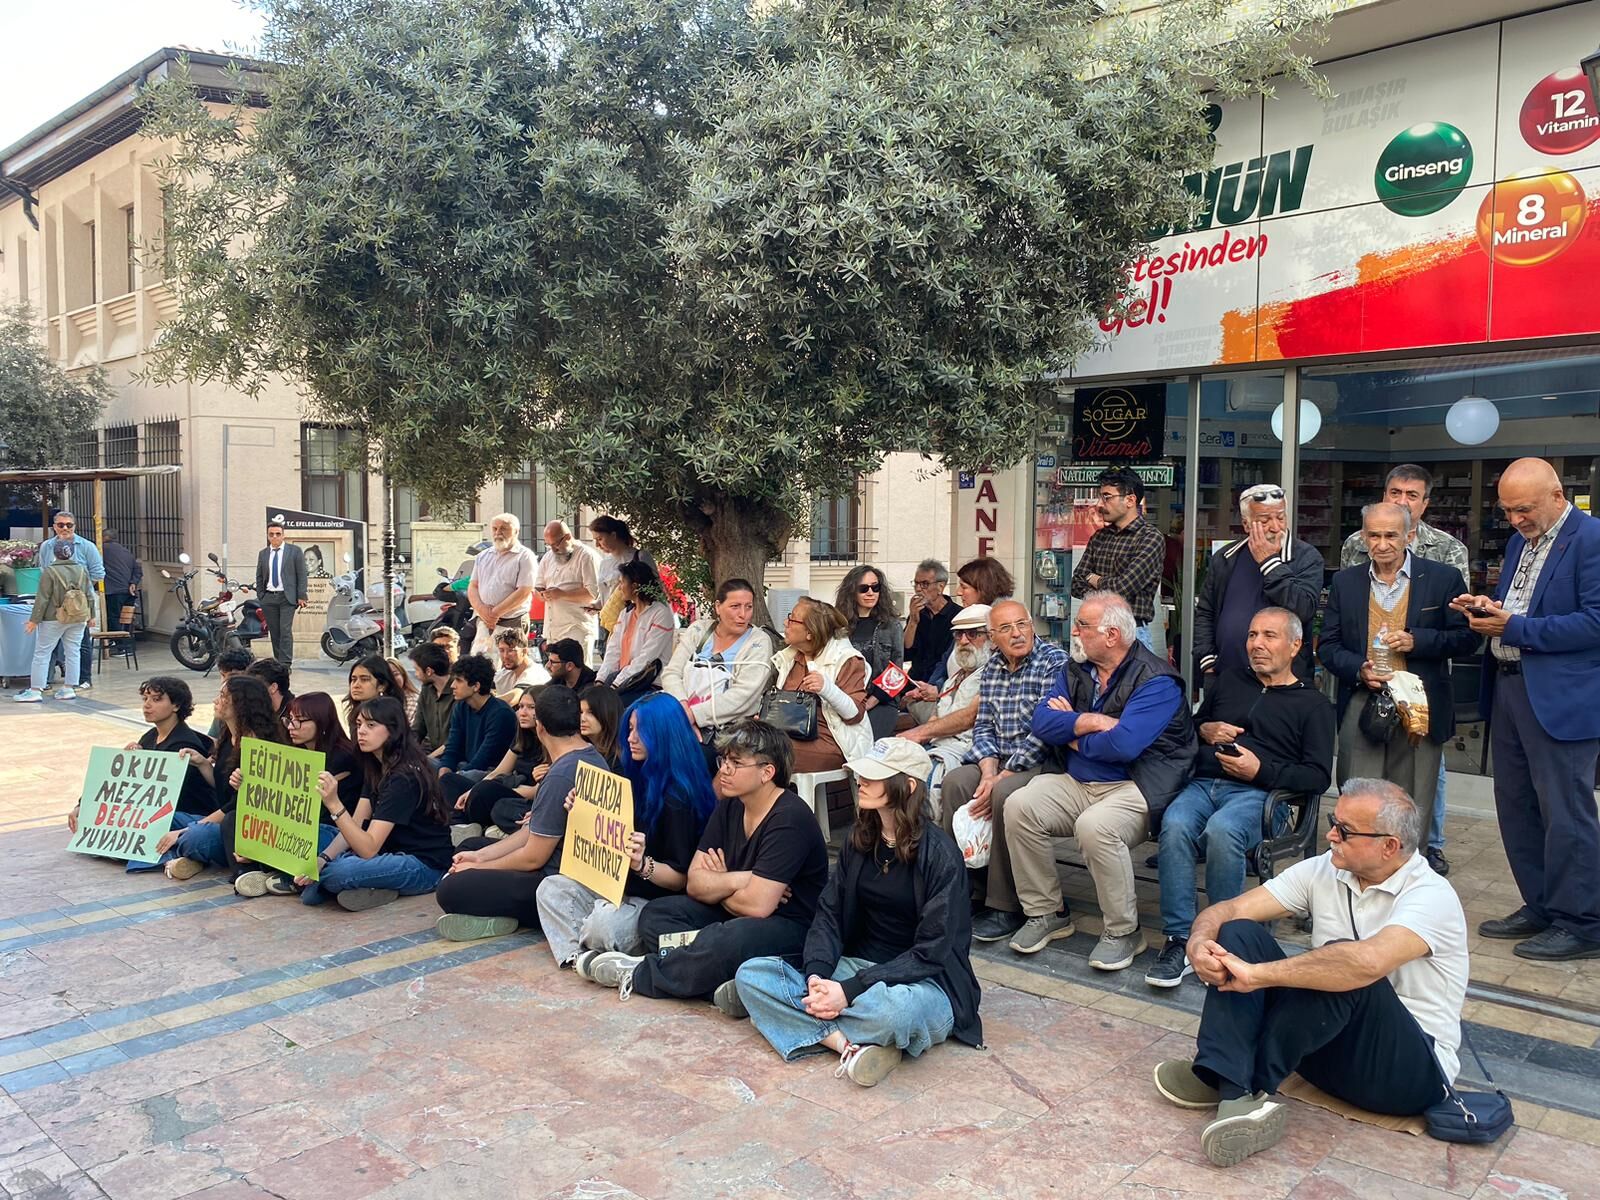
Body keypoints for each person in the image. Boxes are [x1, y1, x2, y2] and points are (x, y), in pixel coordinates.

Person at [1153, 780, 1467, 1168]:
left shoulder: (1432, 896)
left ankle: (1241, 1081)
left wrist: (1259, 975)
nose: (1330, 834)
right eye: (1335, 821)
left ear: (1389, 846)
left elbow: (1365, 963)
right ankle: (1231, 1086)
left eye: (1345, 830)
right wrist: (1199, 942)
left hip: (1407, 1074)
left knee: (1342, 963)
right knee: (1237, 934)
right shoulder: (1325, 870)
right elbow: (1229, 910)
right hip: (1329, 1055)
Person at [734, 737, 983, 1087]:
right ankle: (846, 1046)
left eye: (873, 776)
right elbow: (829, 914)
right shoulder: (859, 840)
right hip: (857, 967)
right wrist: (818, 976)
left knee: (894, 1015)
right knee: (750, 973)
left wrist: (848, 991)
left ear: (907, 786)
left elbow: (932, 953)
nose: (861, 782)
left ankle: (782, 1014)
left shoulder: (941, 856)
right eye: (862, 775)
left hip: (923, 984)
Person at [575, 719, 831, 1013]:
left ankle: (639, 974)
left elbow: (758, 907)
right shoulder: (731, 805)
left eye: (736, 763)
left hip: (789, 926)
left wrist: (720, 882)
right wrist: (740, 879)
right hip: (733, 915)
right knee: (658, 916)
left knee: (728, 939)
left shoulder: (789, 818)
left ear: (767, 772)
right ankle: (719, 982)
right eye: (724, 760)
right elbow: (695, 883)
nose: (724, 769)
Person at [996, 591, 1194, 969]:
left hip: (1136, 785)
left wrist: (1069, 732)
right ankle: (1047, 913)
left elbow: (1123, 746)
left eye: (1083, 626)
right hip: (1077, 781)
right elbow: (1040, 721)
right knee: (1019, 805)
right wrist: (1088, 722)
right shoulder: (1075, 669)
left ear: (1112, 636)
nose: (1074, 632)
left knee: (1095, 827)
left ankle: (1123, 931)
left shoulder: (1157, 681)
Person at [1453, 457, 1600, 961]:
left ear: (1558, 495)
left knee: (1566, 813)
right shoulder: (1520, 543)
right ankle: (1541, 906)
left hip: (1561, 699)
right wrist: (1486, 610)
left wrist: (1512, 629)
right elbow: (1517, 604)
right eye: (1509, 510)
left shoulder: (1591, 538)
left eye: (1525, 509)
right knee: (1516, 808)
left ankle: (1583, 922)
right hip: (1512, 688)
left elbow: (1595, 623)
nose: (1516, 520)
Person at [1147, 608, 1335, 987]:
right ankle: (1180, 939)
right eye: (1252, 635)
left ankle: (1222, 938)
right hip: (1204, 784)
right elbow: (1191, 729)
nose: (1257, 644)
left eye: (1269, 635)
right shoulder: (1230, 680)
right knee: (1176, 824)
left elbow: (1317, 776)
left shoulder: (1313, 705)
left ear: (1295, 645)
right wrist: (1206, 728)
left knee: (1223, 830)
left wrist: (1260, 771)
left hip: (1264, 796)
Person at [1321, 503, 1475, 853]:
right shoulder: (1346, 582)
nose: (1382, 543)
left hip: (1419, 702)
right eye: (1373, 535)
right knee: (1357, 792)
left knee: (1413, 798)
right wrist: (1359, 669)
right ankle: (1356, 869)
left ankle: (1406, 877)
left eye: (1391, 535)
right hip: (1363, 698)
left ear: (1409, 535)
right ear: (1363, 537)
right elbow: (1328, 646)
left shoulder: (1442, 578)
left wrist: (1417, 640)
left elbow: (1467, 638)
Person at [518, 694, 717, 960]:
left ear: (663, 734)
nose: (632, 738)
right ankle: (577, 957)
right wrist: (582, 811)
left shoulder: (678, 797)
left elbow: (680, 879)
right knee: (551, 888)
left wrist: (641, 865)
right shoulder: (633, 775)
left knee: (603, 924)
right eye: (631, 729)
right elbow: (609, 836)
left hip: (655, 902)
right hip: (617, 887)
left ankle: (593, 946)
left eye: (641, 731)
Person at [433, 686, 610, 931]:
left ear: (541, 727)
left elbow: (533, 858)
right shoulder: (592, 756)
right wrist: (480, 857)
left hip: (555, 882)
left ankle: (506, 915)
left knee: (450, 888)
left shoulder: (561, 774)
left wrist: (477, 867)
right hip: (553, 866)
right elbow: (533, 831)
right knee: (470, 847)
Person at [935, 600, 1067, 912]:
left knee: (1003, 795)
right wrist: (988, 771)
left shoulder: (1053, 662)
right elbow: (983, 725)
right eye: (1006, 628)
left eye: (1022, 624)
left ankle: (1004, 901)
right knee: (956, 783)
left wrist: (1001, 778)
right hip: (999, 762)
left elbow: (1045, 731)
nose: (1017, 634)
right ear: (993, 637)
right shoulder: (993, 667)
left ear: (1032, 626)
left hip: (1040, 761)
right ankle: (966, 887)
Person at [298, 696, 455, 910]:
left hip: (422, 864)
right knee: (308, 839)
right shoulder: (375, 766)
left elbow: (369, 849)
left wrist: (334, 804)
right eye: (359, 724)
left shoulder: (403, 777)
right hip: (383, 850)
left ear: (393, 730)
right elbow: (356, 823)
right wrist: (323, 857)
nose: (361, 731)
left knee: (337, 872)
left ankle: (332, 883)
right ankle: (360, 885)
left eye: (371, 725)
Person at [232, 691, 364, 898]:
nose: (292, 727)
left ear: (322, 722)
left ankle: (281, 875)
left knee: (301, 841)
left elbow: (307, 810)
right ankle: (275, 872)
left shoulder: (342, 757)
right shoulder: (295, 752)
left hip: (334, 831)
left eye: (300, 721)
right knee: (235, 822)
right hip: (302, 829)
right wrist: (246, 783)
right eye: (290, 720)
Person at [81, 677, 216, 871]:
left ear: (176, 705)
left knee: (140, 823)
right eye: (145, 699)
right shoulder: (150, 736)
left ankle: (175, 857)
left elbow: (159, 794)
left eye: (156, 699)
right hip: (166, 811)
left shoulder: (184, 744)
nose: (147, 705)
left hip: (189, 814)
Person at [1194, 483, 1323, 684]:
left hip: (1283, 682)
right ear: (1246, 525)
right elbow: (1206, 611)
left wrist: (1269, 563)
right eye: (1264, 520)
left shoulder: (1306, 557)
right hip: (1226, 675)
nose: (1275, 526)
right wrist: (1208, 661)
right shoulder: (1226, 558)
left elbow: (1304, 608)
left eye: (1280, 517)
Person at [160, 676, 286, 879]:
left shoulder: (258, 745)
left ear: (241, 703)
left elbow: (235, 805)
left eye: (223, 696)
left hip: (241, 825)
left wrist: (187, 829)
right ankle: (188, 859)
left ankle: (187, 856)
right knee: (160, 818)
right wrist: (203, 764)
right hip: (220, 818)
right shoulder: (228, 736)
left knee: (193, 837)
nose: (216, 701)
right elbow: (222, 786)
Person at [900, 604, 991, 821]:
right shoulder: (957, 675)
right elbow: (937, 716)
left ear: (991, 638)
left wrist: (920, 733)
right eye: (958, 635)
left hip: (968, 748)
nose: (964, 641)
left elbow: (969, 717)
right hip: (940, 744)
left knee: (929, 774)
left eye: (973, 634)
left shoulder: (992, 673)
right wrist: (917, 738)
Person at [661, 577, 776, 748]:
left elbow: (743, 695)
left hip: (729, 731)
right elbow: (671, 673)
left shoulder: (758, 642)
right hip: (680, 715)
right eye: (735, 606)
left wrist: (694, 715)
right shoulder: (698, 630)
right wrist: (684, 710)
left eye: (748, 607)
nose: (742, 615)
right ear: (717, 607)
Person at [769, 596, 871, 773]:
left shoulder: (847, 659)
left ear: (810, 632)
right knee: (746, 744)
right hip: (791, 735)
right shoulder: (791, 657)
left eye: (792, 619)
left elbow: (855, 714)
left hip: (833, 743)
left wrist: (826, 688)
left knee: (762, 752)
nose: (785, 622)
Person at [1070, 468, 1166, 649]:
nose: (1100, 504)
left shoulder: (1150, 538)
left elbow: (1122, 588)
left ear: (1130, 500)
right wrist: (1105, 585)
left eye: (1107, 497)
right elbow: (1076, 584)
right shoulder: (1099, 537)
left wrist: (1094, 578)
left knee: (1133, 677)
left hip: (1131, 634)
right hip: (1094, 631)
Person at [448, 684, 548, 841]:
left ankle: (472, 825)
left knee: (489, 793)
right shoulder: (522, 738)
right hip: (507, 786)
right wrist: (472, 790)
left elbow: (537, 791)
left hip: (523, 795)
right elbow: (499, 771)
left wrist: (491, 788)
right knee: (450, 780)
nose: (522, 712)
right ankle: (462, 825)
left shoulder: (550, 742)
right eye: (521, 707)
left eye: (531, 707)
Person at [834, 564, 907, 741]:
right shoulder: (838, 625)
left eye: (876, 587)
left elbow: (896, 672)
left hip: (881, 702)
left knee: (866, 743)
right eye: (863, 588)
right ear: (852, 591)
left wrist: (871, 702)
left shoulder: (891, 625)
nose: (870, 593)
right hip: (844, 700)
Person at [16, 543, 91, 703]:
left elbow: (43, 598)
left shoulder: (50, 571)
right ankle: (69, 688)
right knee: (73, 652)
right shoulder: (82, 570)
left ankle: (36, 689)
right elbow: (89, 594)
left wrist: (33, 620)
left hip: (54, 617)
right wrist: (91, 616)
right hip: (78, 617)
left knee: (42, 653)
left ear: (54, 554)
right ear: (72, 553)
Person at [38, 511, 104, 689]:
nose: (65, 528)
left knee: (80, 643)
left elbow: (98, 573)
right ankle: (46, 680)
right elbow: (44, 570)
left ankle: (83, 678)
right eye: (61, 525)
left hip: (79, 602)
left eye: (69, 525)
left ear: (75, 526)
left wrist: (79, 589)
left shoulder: (86, 546)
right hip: (54, 602)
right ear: (54, 526)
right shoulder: (47, 546)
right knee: (49, 643)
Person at [597, 560, 677, 705]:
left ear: (635, 586)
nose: (619, 588)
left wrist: (617, 684)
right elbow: (613, 650)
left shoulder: (660, 613)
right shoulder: (625, 614)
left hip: (648, 682)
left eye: (622, 583)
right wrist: (600, 679)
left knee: (611, 705)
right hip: (623, 678)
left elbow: (646, 657)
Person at [438, 655, 518, 797]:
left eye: (459, 681)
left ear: (476, 686)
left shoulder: (500, 714)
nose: (452, 686)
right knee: (424, 766)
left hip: (489, 774)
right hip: (463, 765)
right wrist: (445, 768)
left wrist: (450, 777)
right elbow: (452, 746)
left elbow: (484, 759)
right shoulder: (461, 707)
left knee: (456, 778)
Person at [466, 513, 538, 656]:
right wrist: (482, 610)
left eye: (504, 528)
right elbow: (473, 586)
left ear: (516, 531)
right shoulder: (483, 556)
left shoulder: (525, 556)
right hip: (485, 622)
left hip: (512, 623)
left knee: (509, 666)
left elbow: (524, 590)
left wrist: (494, 613)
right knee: (479, 664)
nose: (498, 533)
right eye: (495, 528)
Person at [535, 519, 602, 663]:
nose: (553, 549)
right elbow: (538, 585)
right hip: (553, 627)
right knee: (557, 675)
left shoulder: (586, 556)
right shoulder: (548, 557)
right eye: (549, 545)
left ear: (568, 537)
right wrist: (541, 593)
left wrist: (562, 594)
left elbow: (593, 594)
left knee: (578, 674)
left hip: (577, 627)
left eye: (556, 544)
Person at [903, 560, 961, 712]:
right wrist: (913, 622)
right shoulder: (917, 614)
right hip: (914, 683)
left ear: (940, 587)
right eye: (915, 584)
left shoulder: (958, 615)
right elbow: (906, 652)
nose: (918, 589)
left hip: (941, 687)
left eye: (924, 584)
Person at [254, 520, 307, 665]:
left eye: (278, 534)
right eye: (271, 534)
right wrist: (261, 596)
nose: (275, 537)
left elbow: (302, 574)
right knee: (275, 633)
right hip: (269, 598)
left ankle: (286, 664)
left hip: (287, 598)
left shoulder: (294, 551)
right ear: (268, 536)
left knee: (285, 631)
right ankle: (278, 663)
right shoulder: (263, 554)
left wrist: (302, 595)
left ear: (283, 535)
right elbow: (259, 576)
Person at [408, 643, 457, 754]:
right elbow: (418, 728)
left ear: (429, 671)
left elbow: (456, 738)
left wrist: (428, 759)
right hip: (431, 751)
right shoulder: (427, 690)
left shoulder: (458, 692)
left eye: (416, 669)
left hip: (454, 755)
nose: (415, 674)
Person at [101, 528, 142, 654]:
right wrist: (133, 583)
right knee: (126, 620)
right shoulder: (126, 551)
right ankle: (128, 646)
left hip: (113, 591)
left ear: (103, 537)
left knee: (113, 618)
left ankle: (122, 647)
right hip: (128, 592)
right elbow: (138, 571)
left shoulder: (101, 550)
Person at [205, 648, 256, 739]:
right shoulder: (223, 707)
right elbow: (213, 739)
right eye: (223, 675)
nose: (225, 681)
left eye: (233, 676)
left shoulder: (258, 707)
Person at [342, 655, 402, 731]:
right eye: (353, 680)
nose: (356, 685)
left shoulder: (389, 716)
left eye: (364, 679)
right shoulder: (356, 713)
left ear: (382, 686)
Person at [493, 627, 550, 696]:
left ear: (524, 651)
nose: (505, 656)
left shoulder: (535, 673)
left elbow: (517, 695)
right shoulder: (503, 674)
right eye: (501, 650)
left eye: (511, 650)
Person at [579, 682, 623, 768]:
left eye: (590, 713)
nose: (582, 718)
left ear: (607, 713)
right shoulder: (581, 751)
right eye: (580, 712)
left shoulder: (618, 760)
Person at [245, 658, 294, 732]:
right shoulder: (253, 710)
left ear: (273, 688)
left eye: (254, 687)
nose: (249, 692)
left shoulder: (295, 717)